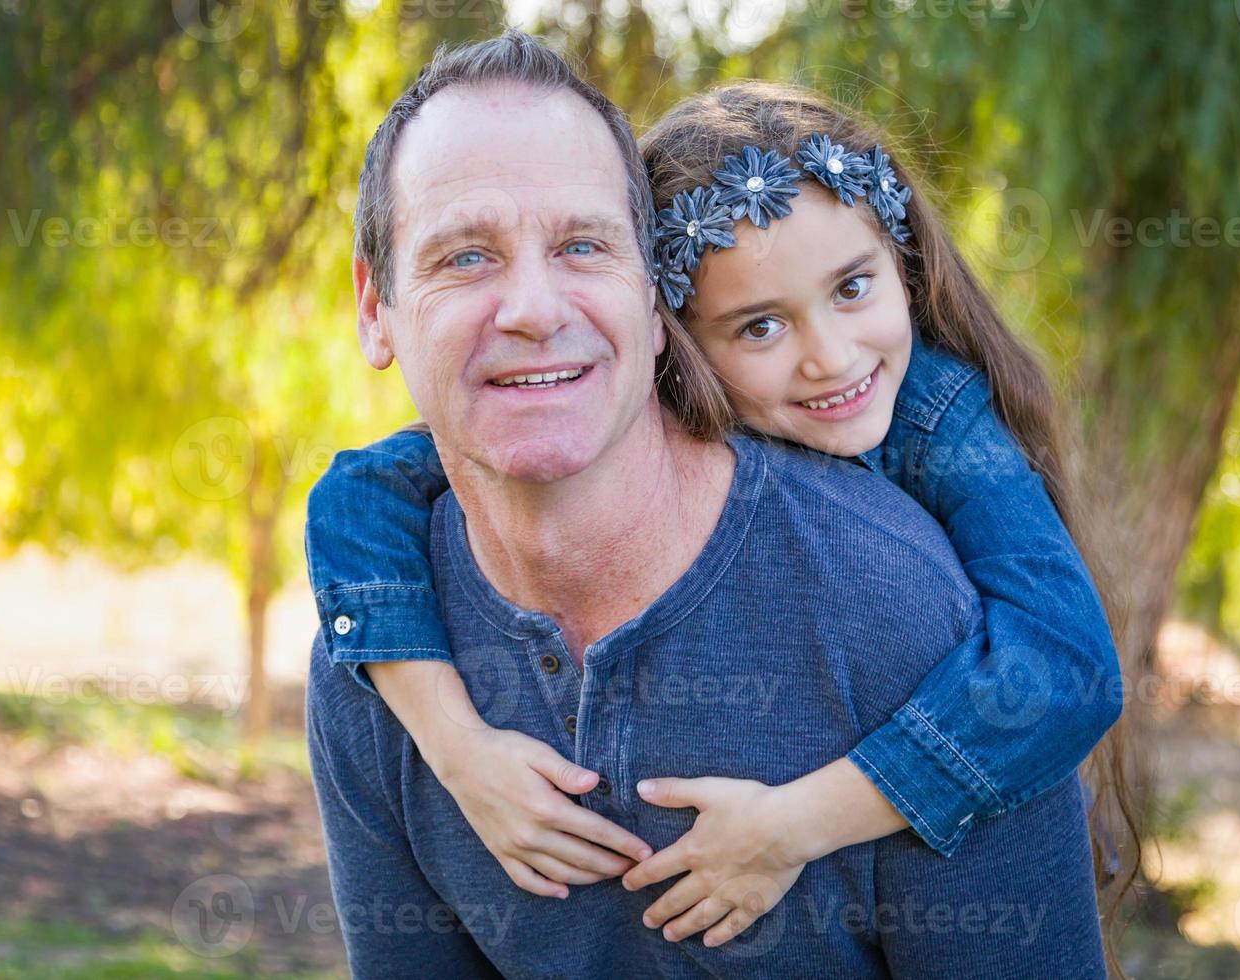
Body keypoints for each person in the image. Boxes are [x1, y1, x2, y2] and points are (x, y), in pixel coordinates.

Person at [306, 28, 1109, 977]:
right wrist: (454, 740)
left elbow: (1069, 667)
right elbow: (355, 490)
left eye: (582, 245)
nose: (831, 358)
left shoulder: (918, 575)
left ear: (649, 305)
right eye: (465, 258)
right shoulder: (377, 652)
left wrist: (794, 823)